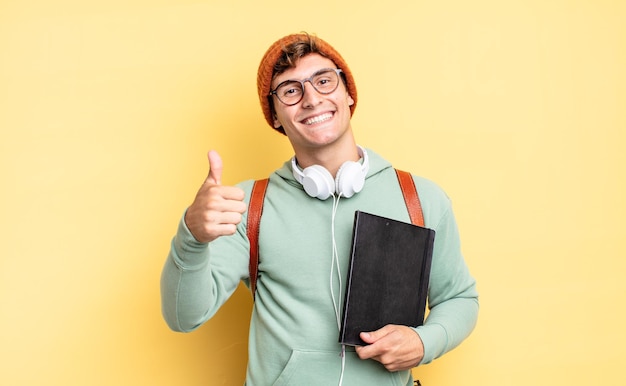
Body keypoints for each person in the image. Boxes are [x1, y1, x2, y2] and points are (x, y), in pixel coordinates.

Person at [161, 32, 479, 386]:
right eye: (291, 90)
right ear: (276, 116)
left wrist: (424, 341)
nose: (312, 98)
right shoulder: (246, 206)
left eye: (324, 81)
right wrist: (192, 237)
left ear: (349, 94)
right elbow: (182, 317)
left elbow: (460, 298)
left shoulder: (420, 197)